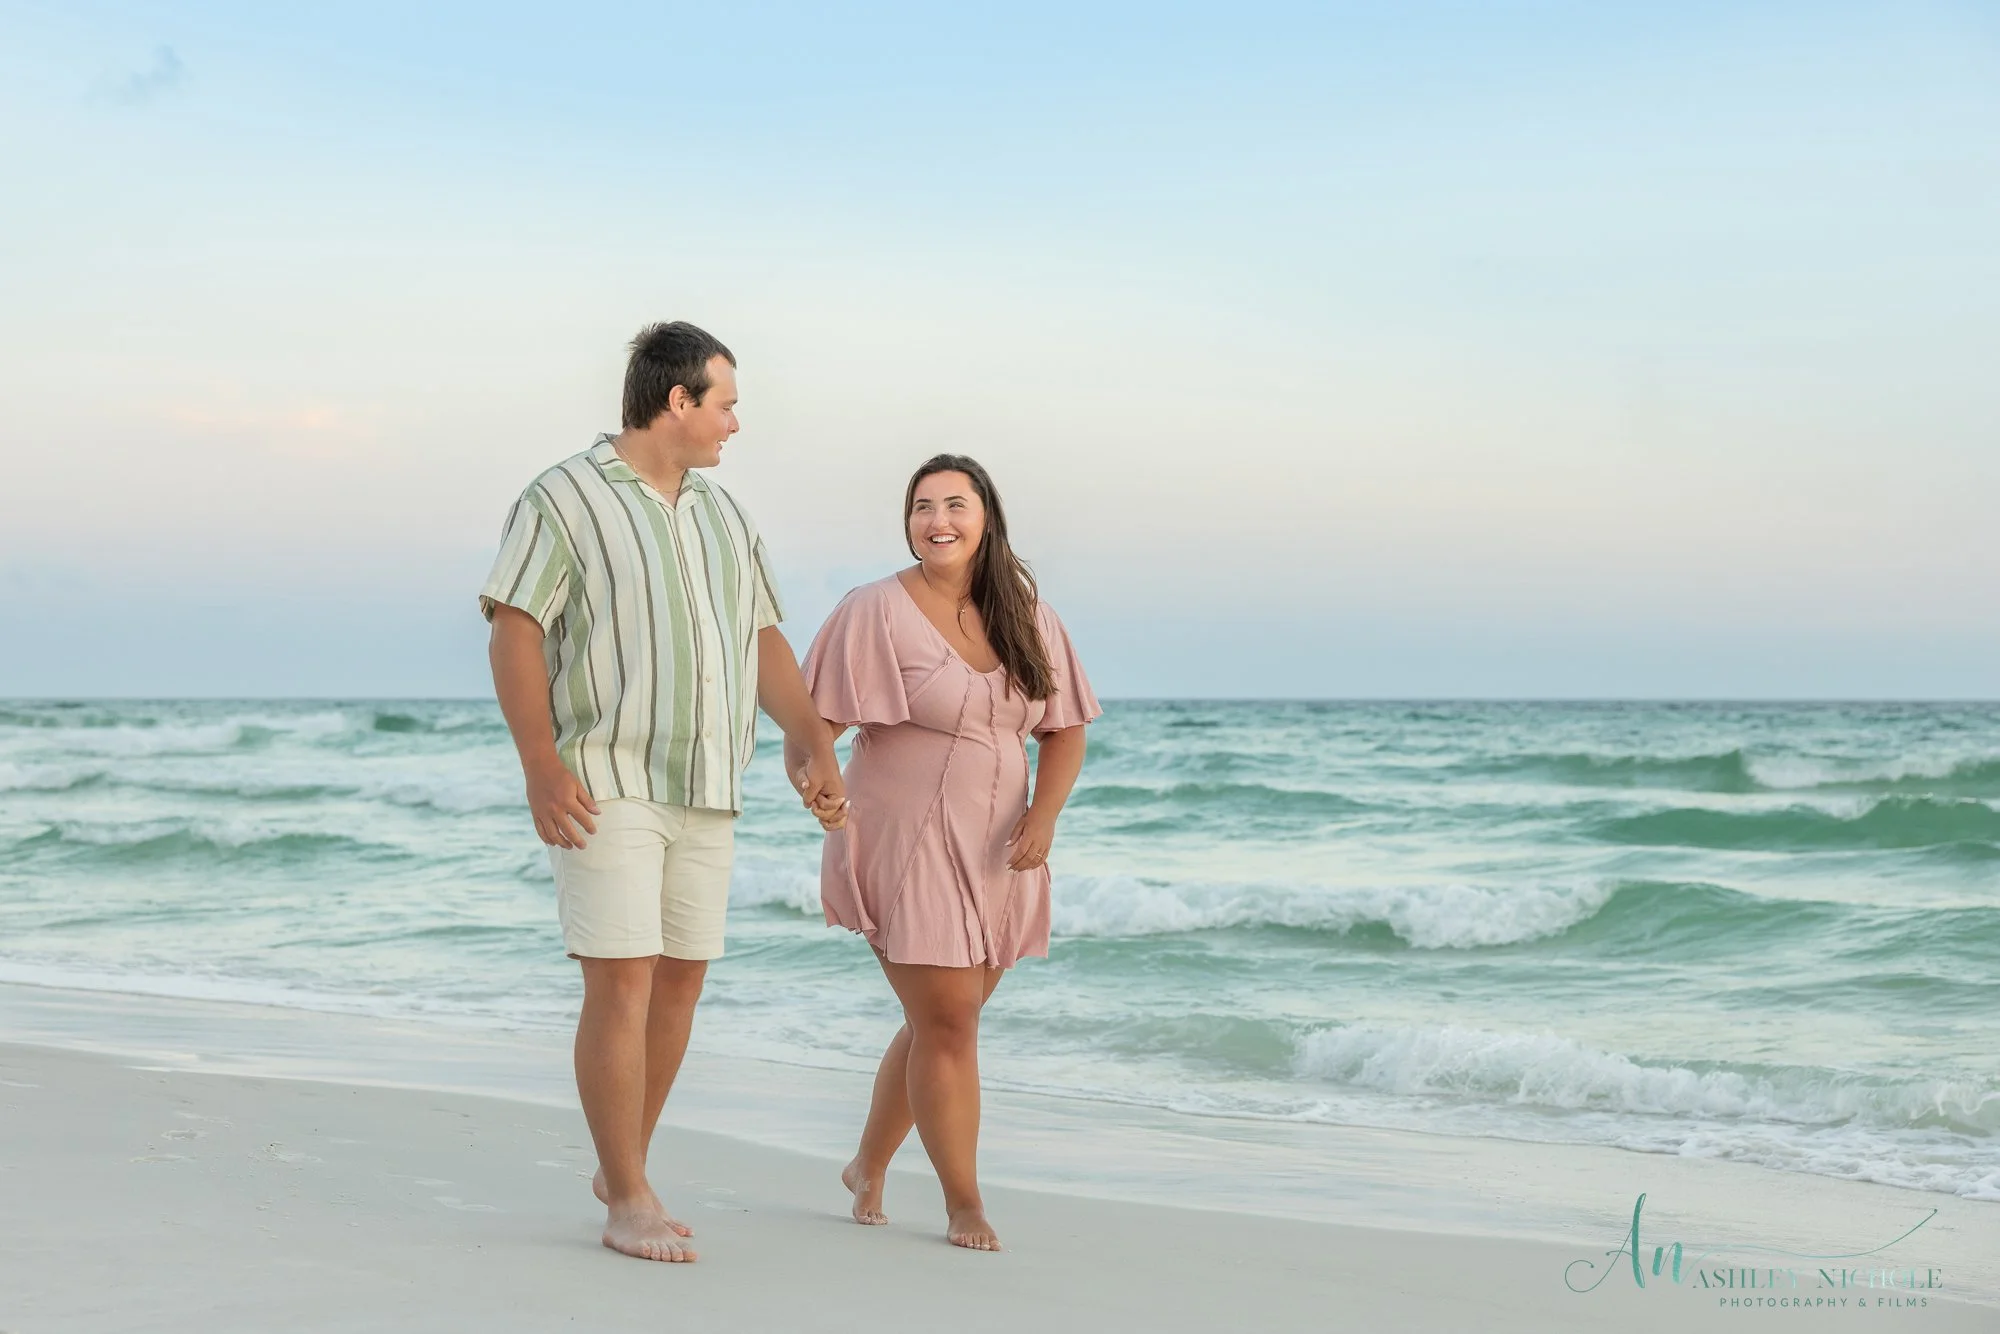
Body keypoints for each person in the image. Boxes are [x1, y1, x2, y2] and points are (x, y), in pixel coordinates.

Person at [480, 321, 846, 1264]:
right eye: (725, 401)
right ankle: (628, 1197)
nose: (735, 422)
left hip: (709, 783)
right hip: (607, 777)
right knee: (624, 977)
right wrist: (539, 762)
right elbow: (516, 629)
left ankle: (622, 1159)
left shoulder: (727, 517)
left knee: (683, 977)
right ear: (677, 401)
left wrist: (808, 739)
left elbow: (761, 636)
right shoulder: (561, 497)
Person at [786, 454, 1100, 1252]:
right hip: (906, 837)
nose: (938, 521)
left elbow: (1065, 729)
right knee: (950, 1021)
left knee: (940, 1022)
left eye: (955, 505)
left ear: (986, 516)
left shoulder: (1025, 611)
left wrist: (1046, 815)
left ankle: (866, 1164)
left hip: (1001, 845)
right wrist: (814, 780)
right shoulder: (875, 609)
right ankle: (965, 1202)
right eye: (923, 507)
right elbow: (814, 724)